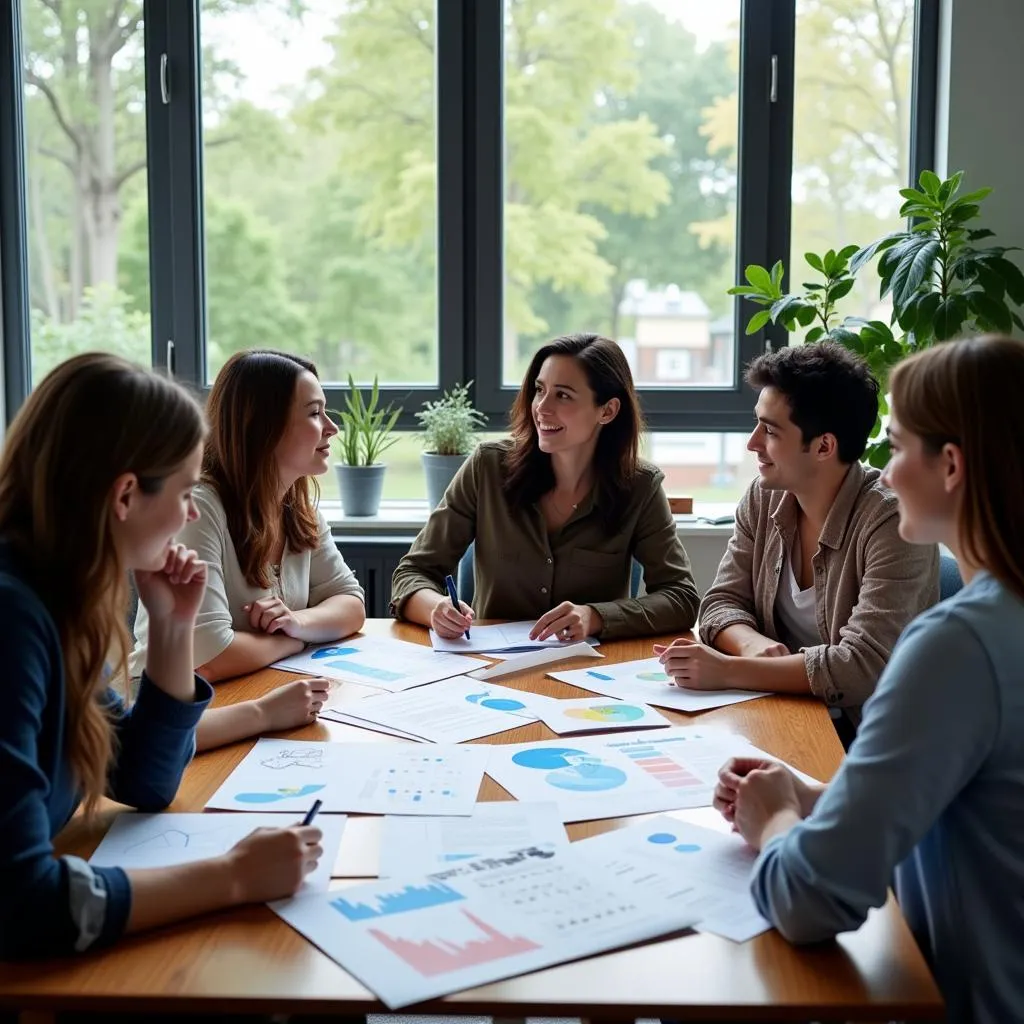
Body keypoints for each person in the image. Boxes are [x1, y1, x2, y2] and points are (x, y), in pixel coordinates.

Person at [714, 335, 1024, 1023]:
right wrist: (826, 795)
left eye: (895, 446)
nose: (882, 473)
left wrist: (775, 821)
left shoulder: (957, 646)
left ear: (950, 466)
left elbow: (810, 901)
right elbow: (971, 806)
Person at [0, 354, 323, 959]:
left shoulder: (58, 595)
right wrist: (232, 876)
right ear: (126, 496)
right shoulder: (13, 620)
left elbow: (142, 777)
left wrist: (173, 629)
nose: (192, 514)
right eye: (183, 490)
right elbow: (21, 901)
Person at [657, 342, 937, 735]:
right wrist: (753, 646)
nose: (752, 442)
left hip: (868, 733)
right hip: (781, 713)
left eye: (770, 430)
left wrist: (731, 669)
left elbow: (861, 667)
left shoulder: (892, 521)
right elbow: (721, 603)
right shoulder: (763, 495)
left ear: (824, 446)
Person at [391, 333, 700, 640]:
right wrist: (436, 609)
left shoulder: (641, 487)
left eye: (563, 395)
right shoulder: (488, 467)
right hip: (489, 670)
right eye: (540, 390)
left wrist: (594, 617)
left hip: (588, 671)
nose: (541, 407)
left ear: (607, 411)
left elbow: (681, 597)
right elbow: (413, 572)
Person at [130, 351, 365, 739]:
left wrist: (296, 621)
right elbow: (208, 657)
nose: (331, 427)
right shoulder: (199, 508)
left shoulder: (297, 506)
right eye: (314, 412)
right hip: (173, 714)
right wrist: (291, 641)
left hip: (253, 693)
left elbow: (351, 604)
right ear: (264, 428)